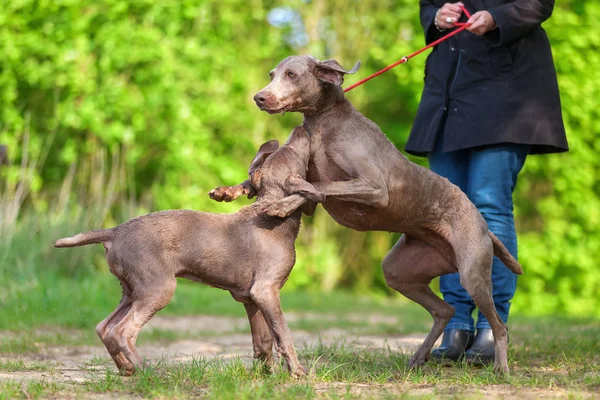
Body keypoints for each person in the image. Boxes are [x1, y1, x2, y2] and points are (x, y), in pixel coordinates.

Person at [406, 0, 568, 364]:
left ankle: (492, 329)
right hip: (447, 94)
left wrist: (498, 17)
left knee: (489, 206)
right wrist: (436, 17)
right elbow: (430, 6)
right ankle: (457, 325)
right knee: (445, 216)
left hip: (508, 93)